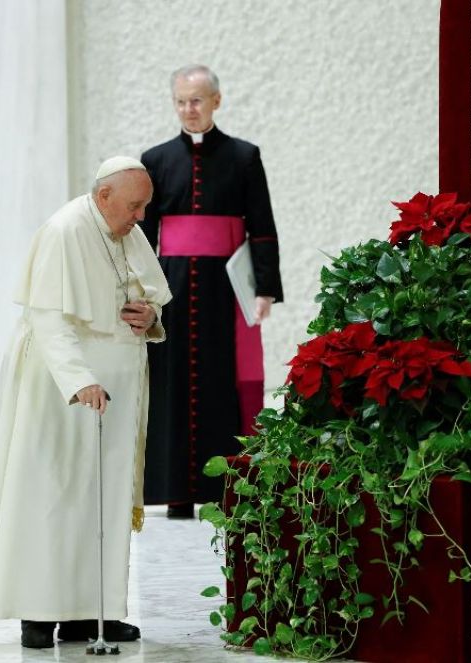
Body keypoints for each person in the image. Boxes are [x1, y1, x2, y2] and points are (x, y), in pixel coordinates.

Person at [0, 157, 172, 649]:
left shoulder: (125, 230)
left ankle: (89, 612)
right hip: (61, 389)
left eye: (144, 206)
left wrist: (149, 315)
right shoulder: (63, 231)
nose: (140, 216)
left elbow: (151, 295)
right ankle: (39, 613)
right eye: (133, 206)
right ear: (104, 197)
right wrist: (79, 380)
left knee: (101, 497)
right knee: (52, 494)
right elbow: (47, 319)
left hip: (117, 388)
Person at [140, 65, 283, 518]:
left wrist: (265, 290)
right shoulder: (156, 159)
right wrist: (140, 291)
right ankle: (176, 493)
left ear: (216, 101)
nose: (189, 109)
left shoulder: (244, 156)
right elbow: (144, 234)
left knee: (223, 382)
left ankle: (228, 488)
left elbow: (262, 228)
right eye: (181, 101)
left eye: (197, 100)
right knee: (172, 384)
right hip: (172, 289)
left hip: (226, 293)